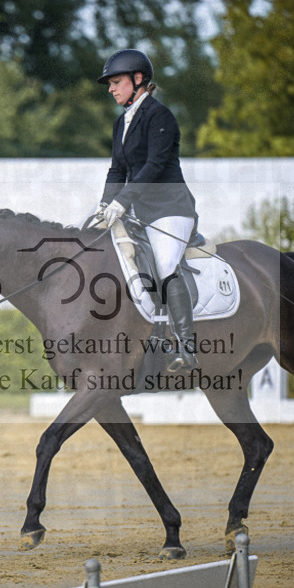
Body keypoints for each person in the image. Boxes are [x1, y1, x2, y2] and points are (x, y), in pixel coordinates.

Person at [97, 48, 199, 371]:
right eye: (110, 84)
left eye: (116, 82)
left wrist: (122, 202)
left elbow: (154, 167)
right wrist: (105, 205)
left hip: (172, 210)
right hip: (140, 215)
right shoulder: (121, 124)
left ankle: (186, 346)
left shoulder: (160, 116)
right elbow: (117, 170)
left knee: (166, 263)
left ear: (138, 79)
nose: (111, 89)